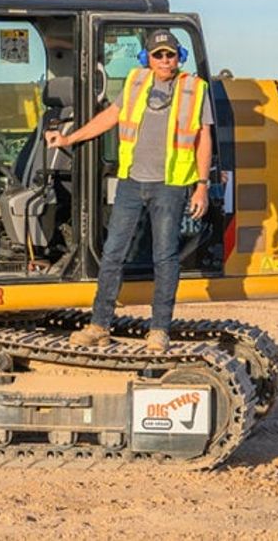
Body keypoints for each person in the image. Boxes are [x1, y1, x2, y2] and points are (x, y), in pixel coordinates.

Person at [45, 29, 213, 352]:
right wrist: (69, 139)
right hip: (131, 183)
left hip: (171, 186)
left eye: (170, 54)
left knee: (164, 257)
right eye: (158, 55)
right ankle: (99, 324)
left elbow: (203, 138)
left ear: (179, 57)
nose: (165, 60)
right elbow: (110, 116)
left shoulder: (194, 89)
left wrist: (201, 186)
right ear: (147, 58)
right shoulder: (135, 83)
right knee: (112, 254)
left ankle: (160, 329)